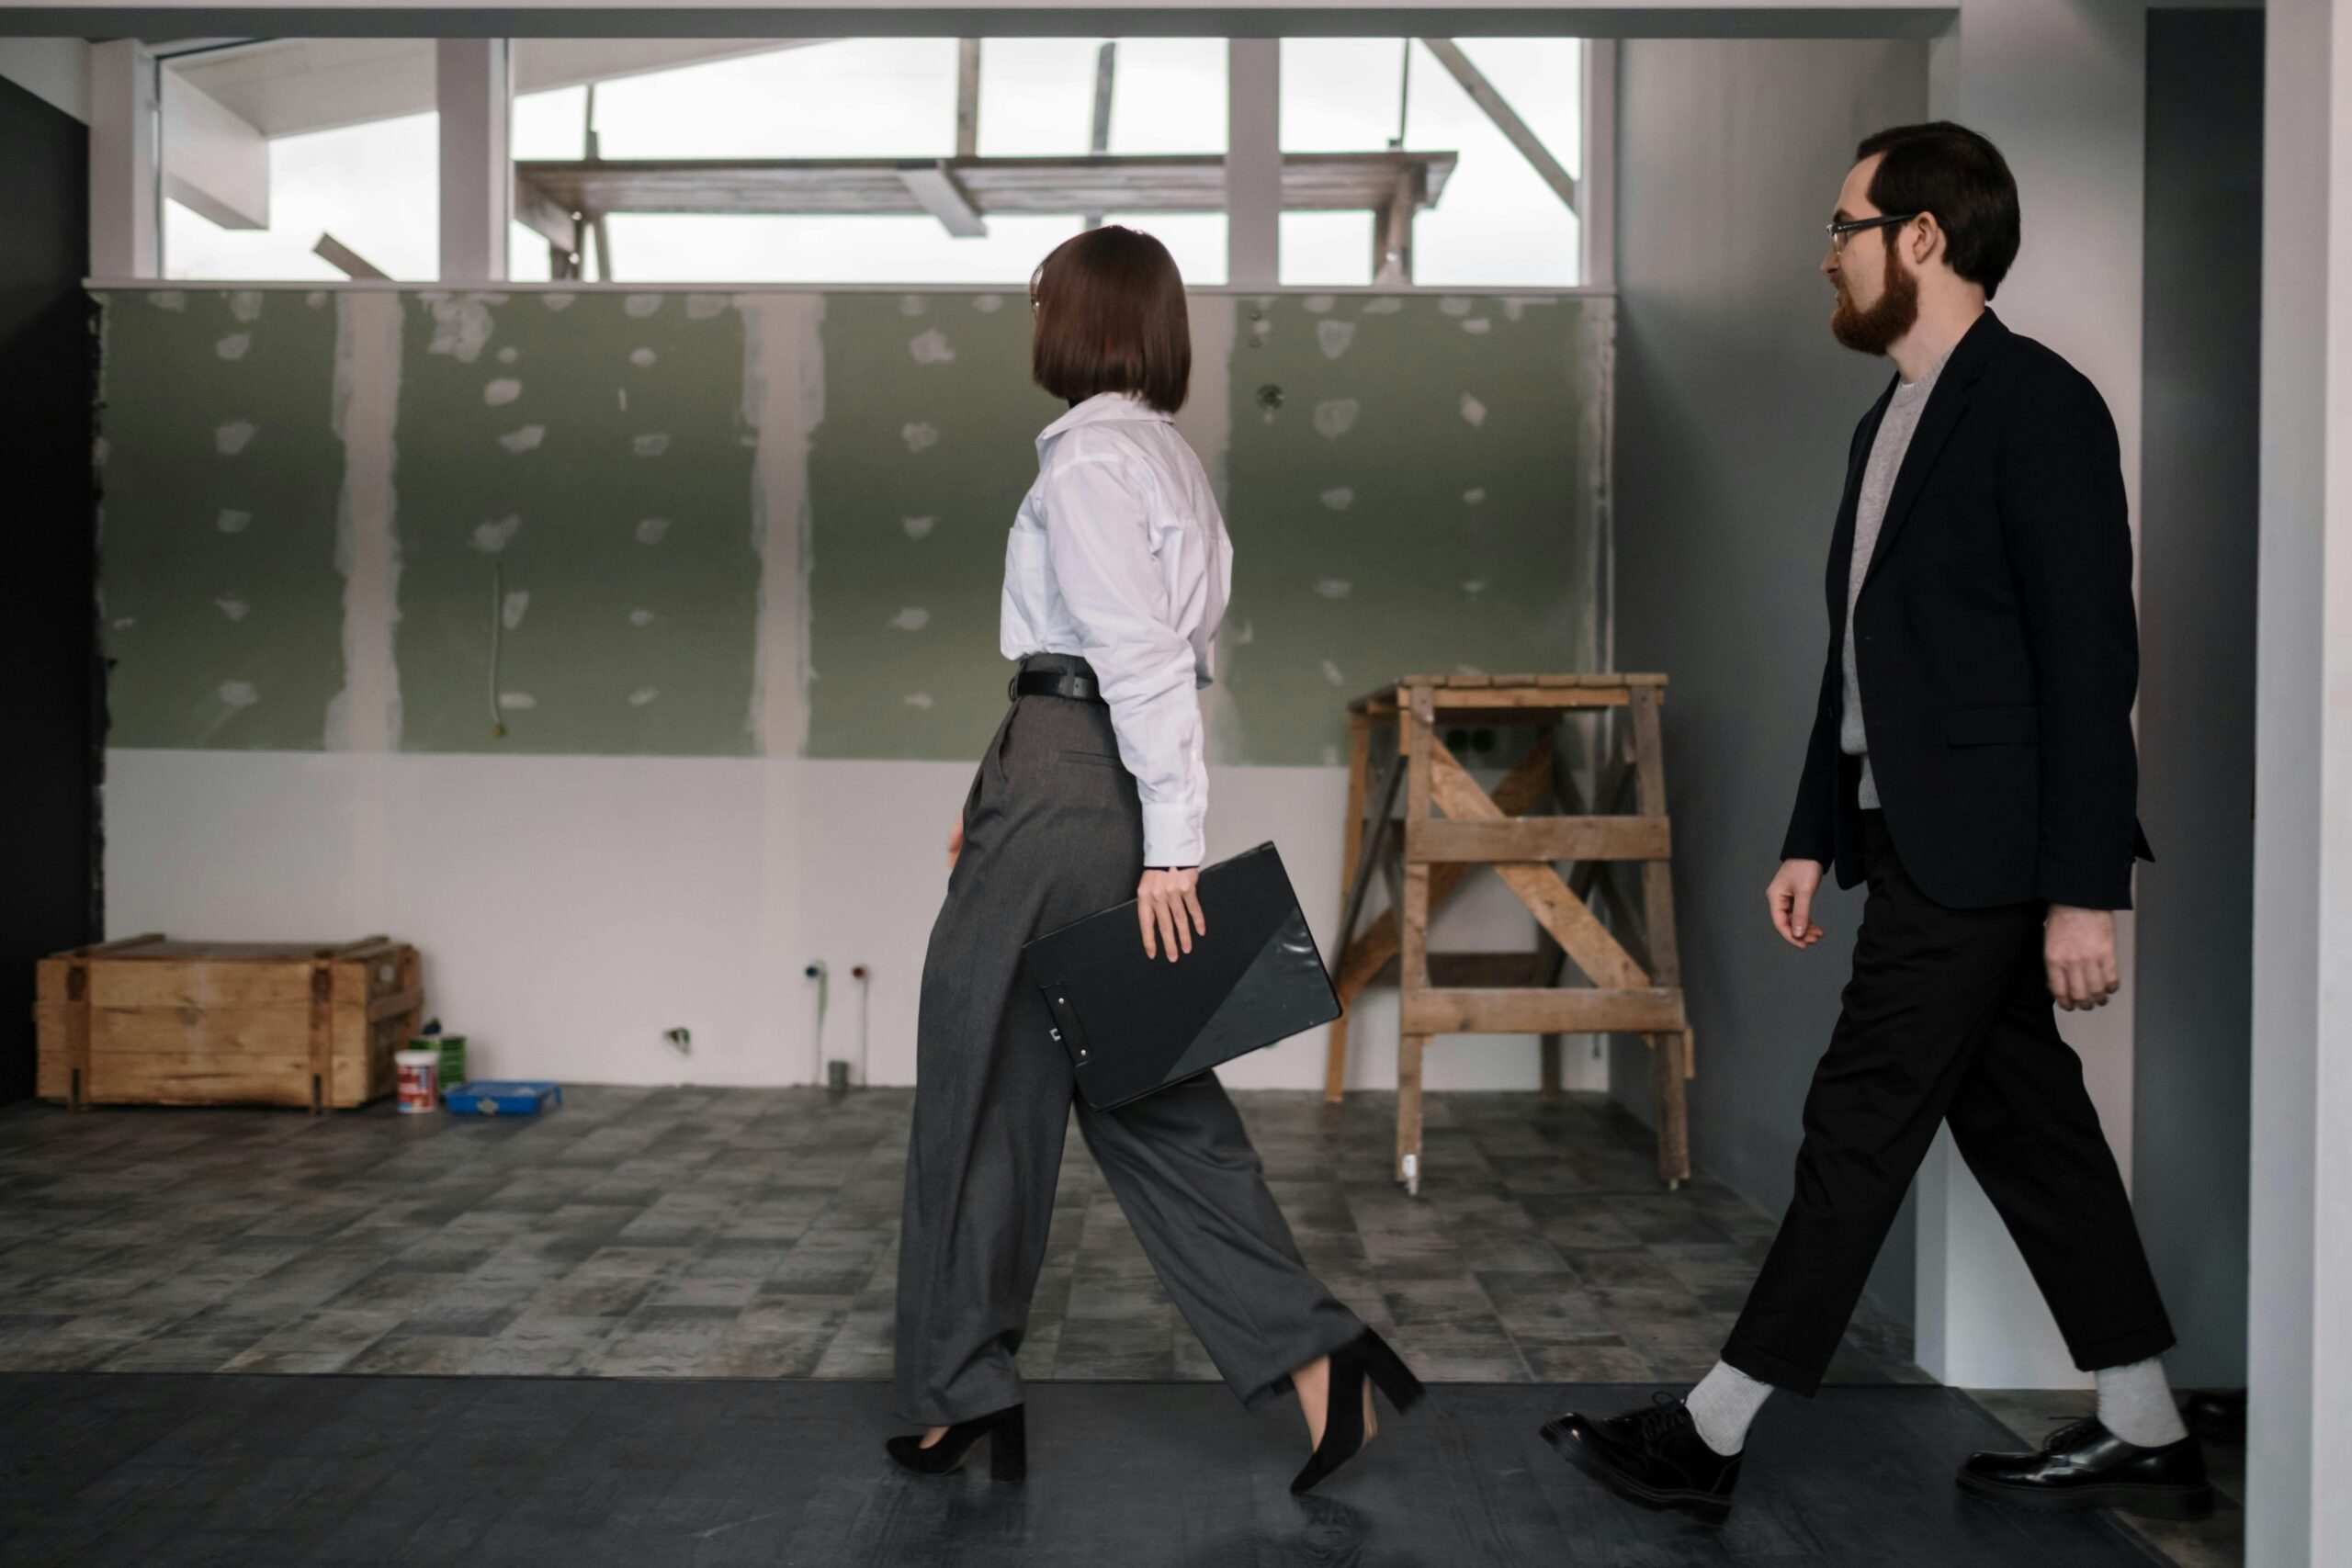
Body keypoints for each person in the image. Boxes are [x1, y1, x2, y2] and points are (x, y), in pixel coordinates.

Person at [1541, 122, 2212, 1525]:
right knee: (2032, 1131)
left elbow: (2092, 663)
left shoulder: (2039, 405)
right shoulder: (1887, 421)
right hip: (1908, 832)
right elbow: (1863, 664)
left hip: (1992, 853)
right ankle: (2147, 1425)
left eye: (1845, 228)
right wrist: (1813, 829)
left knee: (1856, 1123)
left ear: (1922, 238)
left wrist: (2086, 890)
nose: (1827, 258)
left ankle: (1711, 1434)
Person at [887, 225, 1423, 1493]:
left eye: (1041, 304)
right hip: (1084, 783)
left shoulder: (1085, 462)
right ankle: (1318, 1364)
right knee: (1145, 1092)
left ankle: (958, 1388)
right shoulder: (1169, 461)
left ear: (1077, 321)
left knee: (980, 1078)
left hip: (1072, 782)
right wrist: (1015, 789)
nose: (1033, 322)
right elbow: (1127, 658)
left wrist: (1169, 852)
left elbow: (1126, 663)